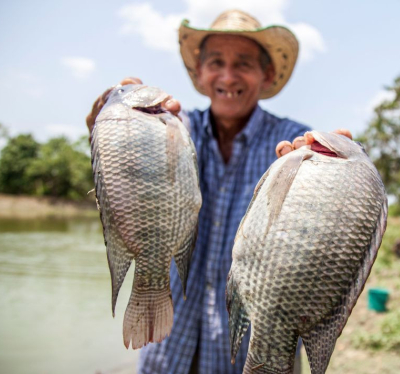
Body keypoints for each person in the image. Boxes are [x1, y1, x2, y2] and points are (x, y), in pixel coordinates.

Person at [85, 10, 351, 374]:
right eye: (216, 62)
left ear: (267, 74)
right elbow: (123, 192)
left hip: (256, 360)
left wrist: (337, 187)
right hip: (167, 352)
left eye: (243, 63)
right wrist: (109, 134)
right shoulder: (172, 128)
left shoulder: (297, 149)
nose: (228, 76)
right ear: (199, 71)